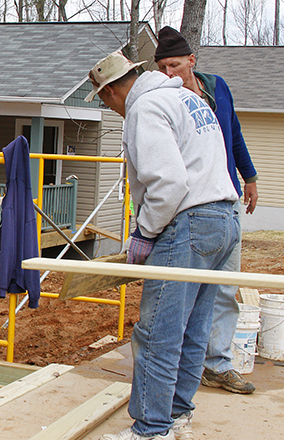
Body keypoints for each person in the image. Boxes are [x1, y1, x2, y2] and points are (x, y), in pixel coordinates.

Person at [85, 51, 239, 440]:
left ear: (109, 95)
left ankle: (152, 431)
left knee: (158, 333)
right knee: (193, 329)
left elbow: (169, 184)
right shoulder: (187, 97)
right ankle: (176, 416)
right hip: (224, 219)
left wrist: (145, 233)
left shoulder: (146, 108)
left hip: (188, 222)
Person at [154, 26, 258, 395]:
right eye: (163, 67)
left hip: (224, 202)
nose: (170, 74)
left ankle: (217, 364)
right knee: (182, 297)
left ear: (191, 61)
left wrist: (249, 176)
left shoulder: (216, 88)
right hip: (188, 210)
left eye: (175, 65)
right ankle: (182, 368)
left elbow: (234, 134)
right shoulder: (167, 100)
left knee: (224, 288)